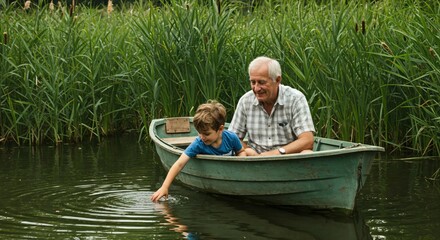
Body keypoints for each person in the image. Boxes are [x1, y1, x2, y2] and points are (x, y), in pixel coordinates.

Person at [151, 100, 246, 202]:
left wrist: (240, 165)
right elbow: (179, 163)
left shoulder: (231, 138)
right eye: (199, 133)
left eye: (206, 134)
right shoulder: (199, 143)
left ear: (220, 129)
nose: (202, 137)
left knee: (249, 152)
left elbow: (241, 151)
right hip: (214, 176)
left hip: (229, 174)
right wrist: (165, 186)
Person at [228, 56, 315, 156]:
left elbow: (307, 140)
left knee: (307, 153)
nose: (256, 88)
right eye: (253, 82)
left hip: (288, 159)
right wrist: (249, 152)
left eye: (261, 82)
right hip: (254, 160)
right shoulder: (245, 101)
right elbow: (232, 138)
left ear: (277, 80)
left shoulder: (295, 99)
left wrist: (276, 153)